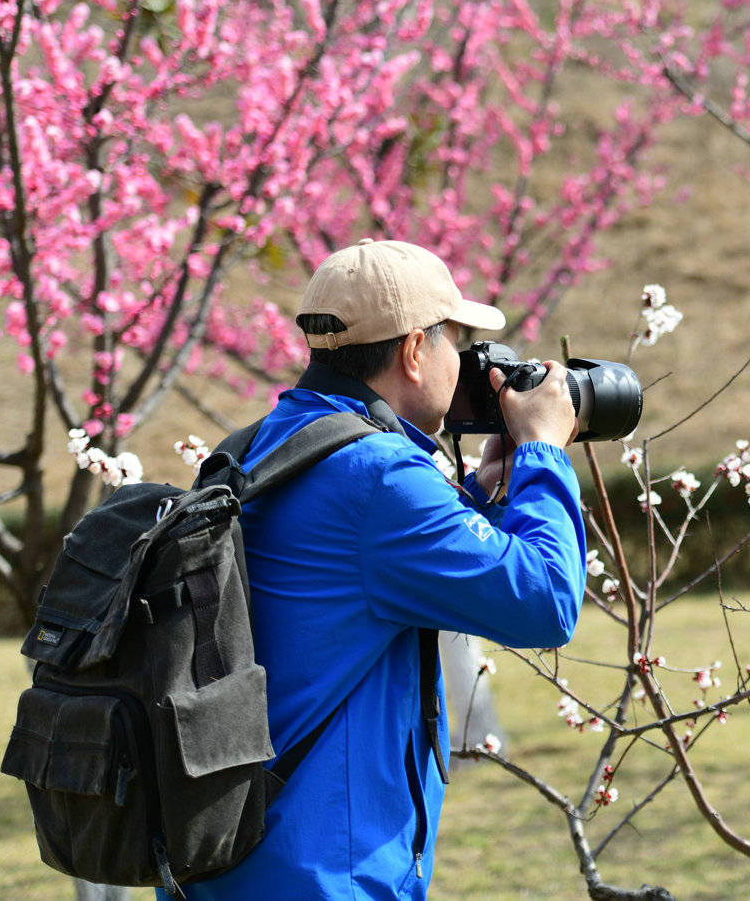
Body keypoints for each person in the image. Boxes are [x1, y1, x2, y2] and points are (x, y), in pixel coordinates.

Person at [176, 239, 587, 899]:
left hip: (225, 867)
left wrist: (480, 500)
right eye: (456, 340)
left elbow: (355, 580)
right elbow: (545, 601)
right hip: (320, 878)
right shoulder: (380, 476)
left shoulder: (260, 445)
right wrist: (542, 451)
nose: (467, 364)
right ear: (414, 352)